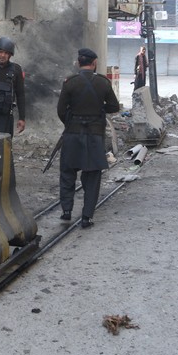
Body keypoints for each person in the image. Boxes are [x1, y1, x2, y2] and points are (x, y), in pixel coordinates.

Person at [57, 48, 120, 228]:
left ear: (78, 63)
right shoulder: (103, 83)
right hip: (94, 135)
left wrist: (71, 122)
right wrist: (99, 109)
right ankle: (86, 217)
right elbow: (114, 106)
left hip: (72, 134)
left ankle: (66, 211)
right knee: (92, 177)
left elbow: (61, 110)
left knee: (68, 173)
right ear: (94, 63)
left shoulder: (70, 82)